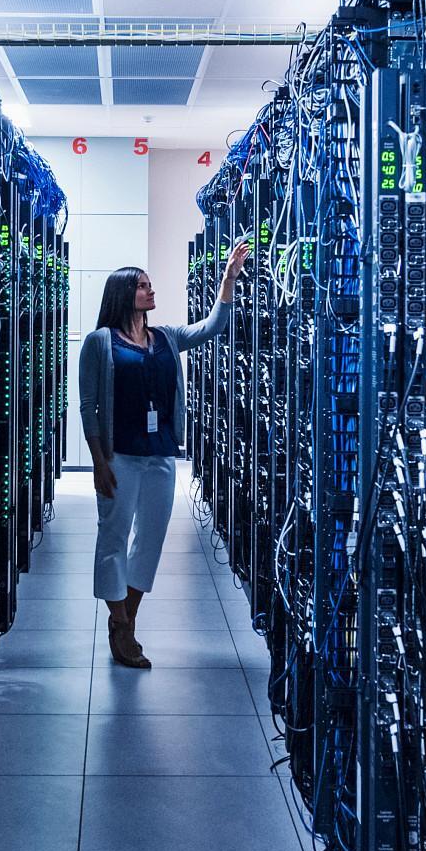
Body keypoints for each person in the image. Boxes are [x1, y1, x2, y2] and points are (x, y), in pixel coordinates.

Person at [77, 240, 251, 668]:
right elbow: (88, 405)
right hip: (119, 456)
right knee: (113, 539)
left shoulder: (166, 338)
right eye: (142, 286)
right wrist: (99, 460)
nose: (150, 291)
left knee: (150, 540)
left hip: (161, 454)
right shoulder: (100, 343)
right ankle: (119, 624)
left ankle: (128, 620)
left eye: (150, 285)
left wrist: (228, 280)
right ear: (123, 295)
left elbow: (211, 328)